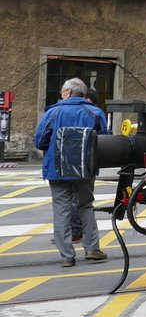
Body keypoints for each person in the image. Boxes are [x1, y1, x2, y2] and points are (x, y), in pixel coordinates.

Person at [34, 78, 108, 267]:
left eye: (61, 91)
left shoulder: (53, 112)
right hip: (85, 168)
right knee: (86, 205)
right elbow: (104, 142)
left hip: (57, 169)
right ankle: (92, 249)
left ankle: (67, 256)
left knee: (61, 209)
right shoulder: (95, 112)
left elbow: (40, 140)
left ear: (67, 92)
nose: (60, 94)